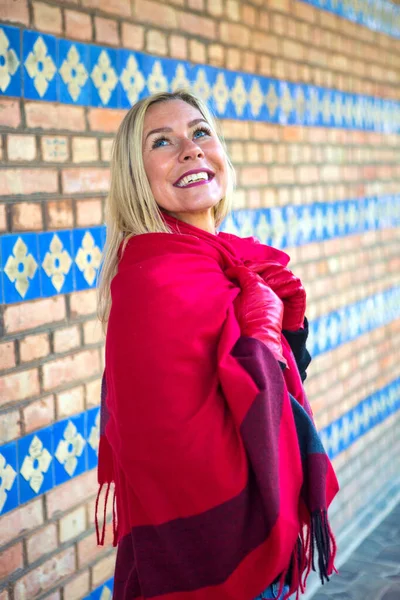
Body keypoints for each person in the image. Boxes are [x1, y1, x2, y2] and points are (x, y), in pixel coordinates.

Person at [96, 90, 339, 600]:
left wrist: (266, 326)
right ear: (137, 175)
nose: (190, 149)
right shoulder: (152, 279)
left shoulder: (237, 266)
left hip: (265, 535)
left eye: (200, 132)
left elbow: (280, 378)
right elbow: (168, 447)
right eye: (162, 142)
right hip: (216, 558)